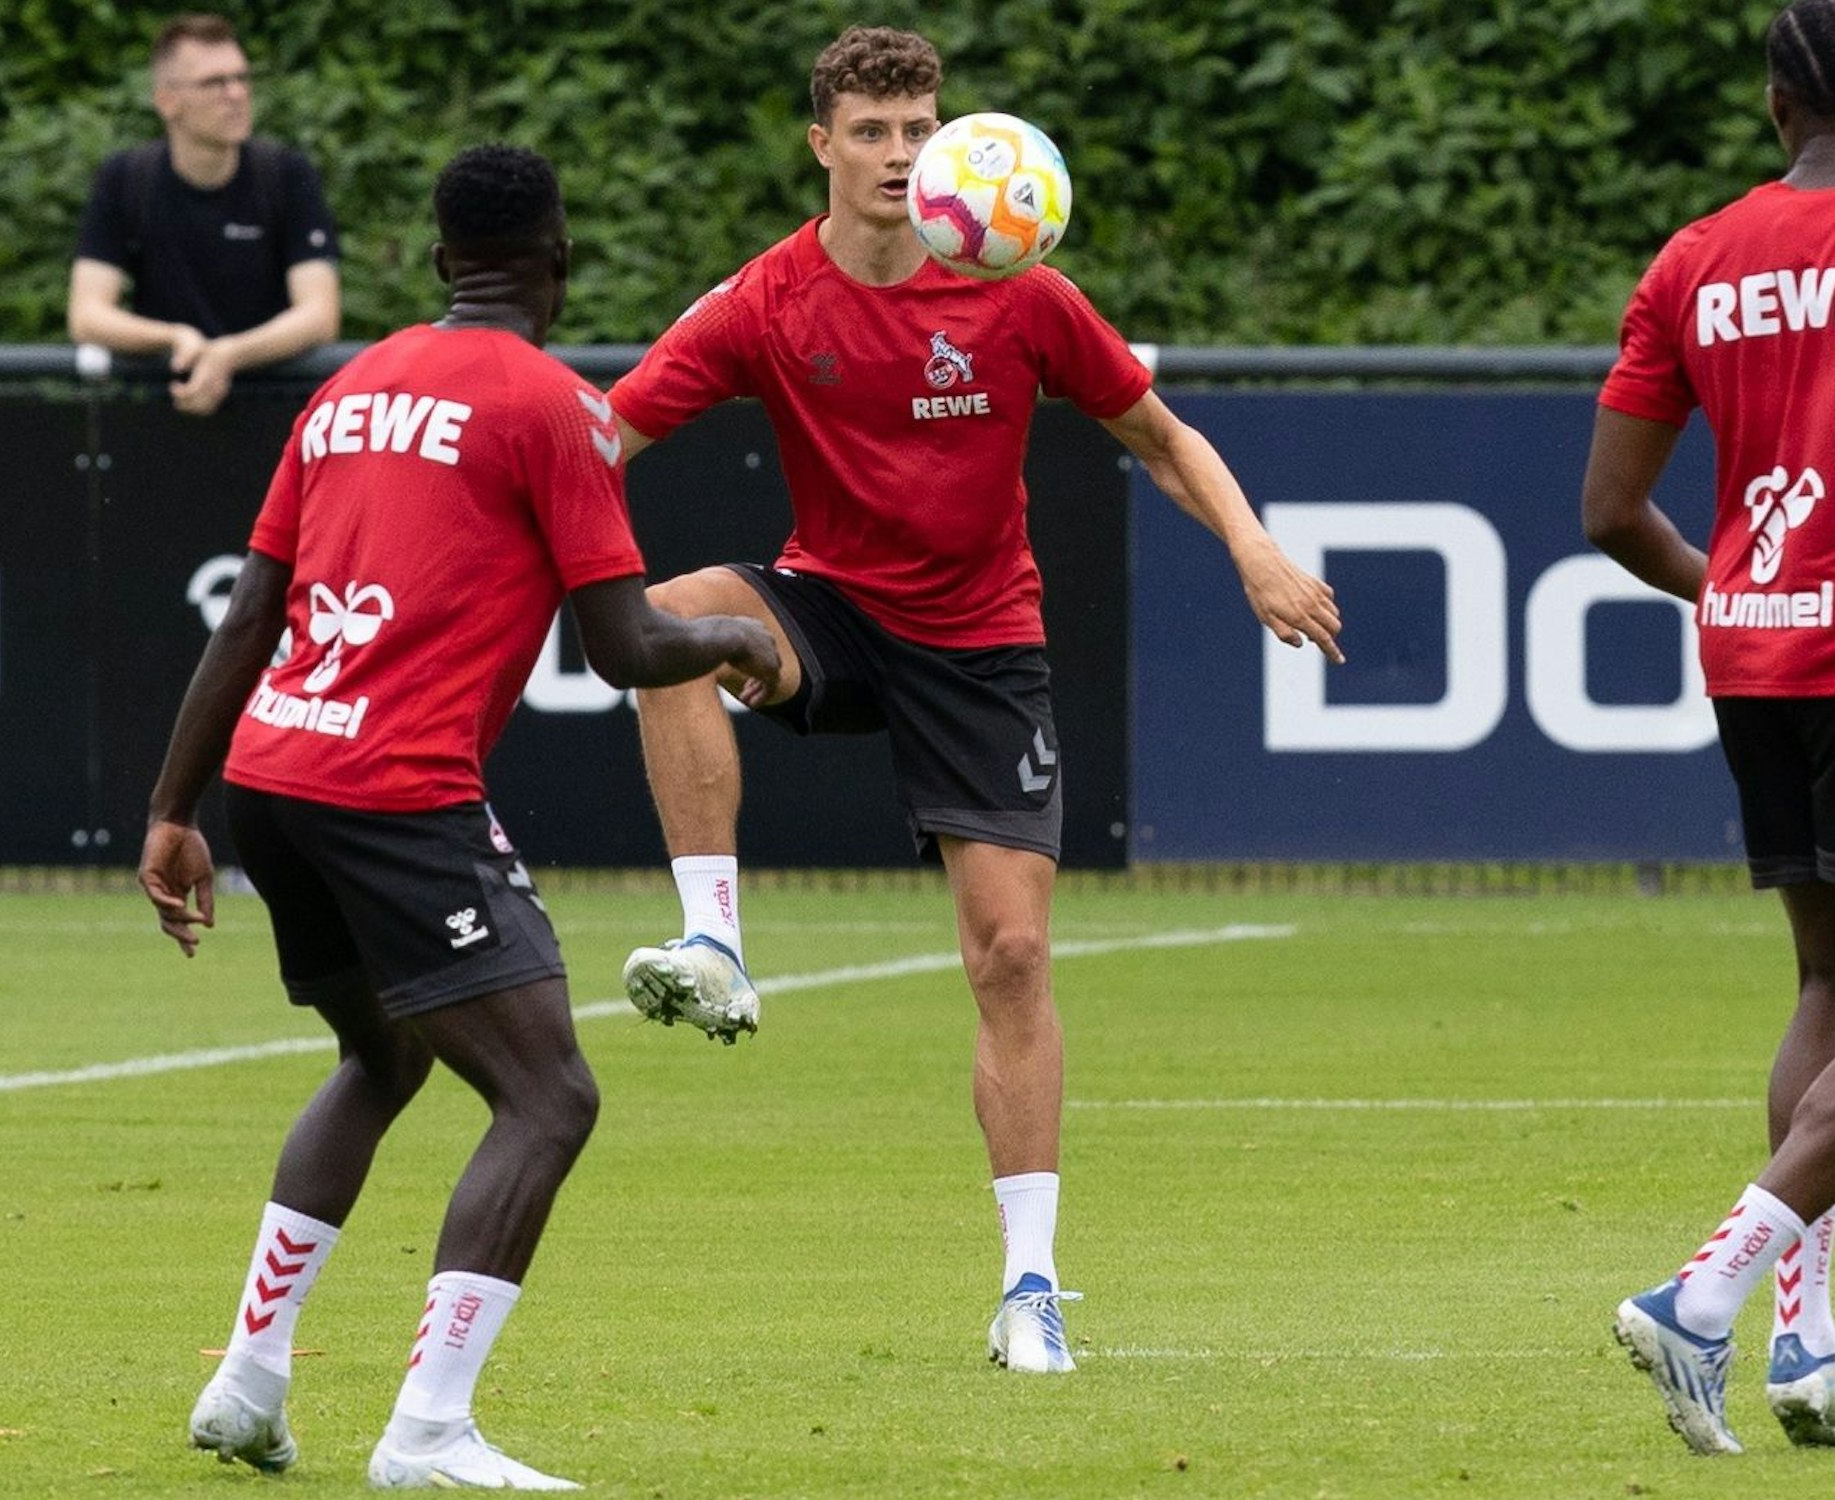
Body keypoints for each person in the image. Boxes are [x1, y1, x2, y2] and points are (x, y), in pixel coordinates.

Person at [606, 26, 1343, 1375]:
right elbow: (604, 438)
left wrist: (1254, 550)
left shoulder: (1019, 290)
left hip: (982, 642)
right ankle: (715, 944)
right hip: (830, 609)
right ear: (822, 146)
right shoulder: (765, 300)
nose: (900, 154)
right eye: (874, 132)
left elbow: (1164, 440)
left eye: (918, 127)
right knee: (668, 617)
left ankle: (1031, 1289)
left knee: (1010, 958)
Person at [138, 143, 778, 1489]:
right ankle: (427, 1429)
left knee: (382, 1059)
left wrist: (168, 810)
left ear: (438, 263)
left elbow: (250, 614)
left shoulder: (344, 391)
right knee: (548, 1095)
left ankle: (250, 1384)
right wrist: (736, 636)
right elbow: (620, 645)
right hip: (395, 795)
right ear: (558, 262)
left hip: (271, 782)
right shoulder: (558, 406)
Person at [1586, 0, 1835, 1456]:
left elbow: (1608, 512)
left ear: (1773, 105)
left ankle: (1806, 1350)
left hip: (1758, 656)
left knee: (1834, 987)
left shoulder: (1697, 256)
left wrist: (1746, 591)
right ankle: (1707, 1296)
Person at [68, 12, 341, 416]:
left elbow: (320, 314)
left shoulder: (284, 174)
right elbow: (87, 315)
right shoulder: (126, 179)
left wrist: (229, 355)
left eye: (241, 78)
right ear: (167, 100)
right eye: (214, 82)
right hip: (164, 413)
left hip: (277, 415)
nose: (235, 93)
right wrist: (174, 338)